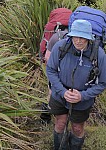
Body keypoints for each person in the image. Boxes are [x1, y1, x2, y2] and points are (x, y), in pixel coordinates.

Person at [46, 19, 106, 150]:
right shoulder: (60, 47)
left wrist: (82, 96)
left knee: (77, 128)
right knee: (60, 123)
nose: (78, 41)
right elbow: (50, 70)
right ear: (71, 35)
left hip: (82, 100)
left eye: (82, 38)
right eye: (75, 37)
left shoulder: (99, 55)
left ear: (89, 38)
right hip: (59, 95)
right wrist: (62, 91)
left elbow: (102, 83)